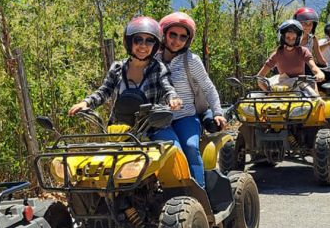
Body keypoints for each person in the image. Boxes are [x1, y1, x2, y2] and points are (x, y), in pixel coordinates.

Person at [68, 16, 182, 138]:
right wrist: (86, 103)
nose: (143, 45)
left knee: (174, 151)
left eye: (149, 40)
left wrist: (173, 98)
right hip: (121, 129)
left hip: (153, 128)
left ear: (155, 45)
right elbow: (104, 91)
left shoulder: (159, 68)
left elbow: (168, 88)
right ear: (129, 42)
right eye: (138, 40)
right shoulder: (118, 67)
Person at [157, 12, 226, 186]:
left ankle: (199, 195)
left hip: (186, 116)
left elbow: (208, 88)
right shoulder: (151, 60)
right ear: (164, 34)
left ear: (188, 40)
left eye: (182, 36)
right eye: (173, 34)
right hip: (158, 120)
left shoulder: (191, 61)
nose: (176, 40)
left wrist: (217, 112)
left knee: (190, 147)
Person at [257, 20, 325, 93]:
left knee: (316, 100)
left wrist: (319, 73)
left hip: (301, 86)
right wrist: (269, 93)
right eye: (288, 37)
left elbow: (313, 67)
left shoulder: (303, 51)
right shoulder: (277, 54)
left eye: (294, 38)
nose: (290, 40)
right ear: (282, 37)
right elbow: (260, 76)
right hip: (283, 89)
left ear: (298, 38)